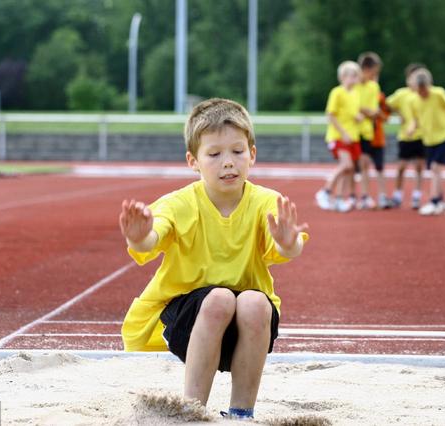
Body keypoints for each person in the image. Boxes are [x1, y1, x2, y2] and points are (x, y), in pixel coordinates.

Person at [119, 98, 309, 420]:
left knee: (255, 302)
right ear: (193, 161)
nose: (228, 163)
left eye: (237, 151)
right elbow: (152, 237)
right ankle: (191, 411)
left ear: (252, 154)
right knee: (219, 298)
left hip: (248, 330)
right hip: (187, 322)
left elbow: (289, 249)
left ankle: (241, 413)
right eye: (215, 154)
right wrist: (139, 236)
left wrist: (288, 243)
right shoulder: (179, 203)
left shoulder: (266, 202)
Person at [407, 68, 445, 215]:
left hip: (444, 135)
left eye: (424, 89)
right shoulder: (414, 100)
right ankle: (440, 200)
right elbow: (416, 119)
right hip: (429, 139)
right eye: (419, 90)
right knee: (434, 170)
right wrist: (411, 128)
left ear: (429, 85)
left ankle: (434, 200)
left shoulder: (439, 94)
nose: (422, 93)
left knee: (436, 168)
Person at [315, 61, 361, 212]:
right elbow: (331, 115)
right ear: (342, 77)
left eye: (356, 76)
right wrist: (343, 133)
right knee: (346, 165)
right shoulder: (337, 92)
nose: (355, 79)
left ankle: (340, 198)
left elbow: (350, 113)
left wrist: (357, 117)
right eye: (352, 76)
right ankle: (325, 191)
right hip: (338, 136)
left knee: (349, 169)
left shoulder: (354, 94)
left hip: (353, 137)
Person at [386, 63, 426, 209]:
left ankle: (417, 195)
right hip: (405, 136)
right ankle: (398, 194)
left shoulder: (424, 94)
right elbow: (386, 105)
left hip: (422, 135)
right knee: (401, 167)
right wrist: (398, 113)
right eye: (412, 78)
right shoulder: (401, 94)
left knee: (419, 167)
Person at [354, 52, 388, 209]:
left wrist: (368, 112)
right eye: (374, 71)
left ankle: (378, 196)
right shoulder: (353, 84)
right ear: (366, 69)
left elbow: (374, 110)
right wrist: (367, 111)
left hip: (370, 130)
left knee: (374, 164)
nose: (376, 75)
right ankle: (362, 196)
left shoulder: (374, 86)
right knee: (362, 164)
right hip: (355, 130)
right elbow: (353, 107)